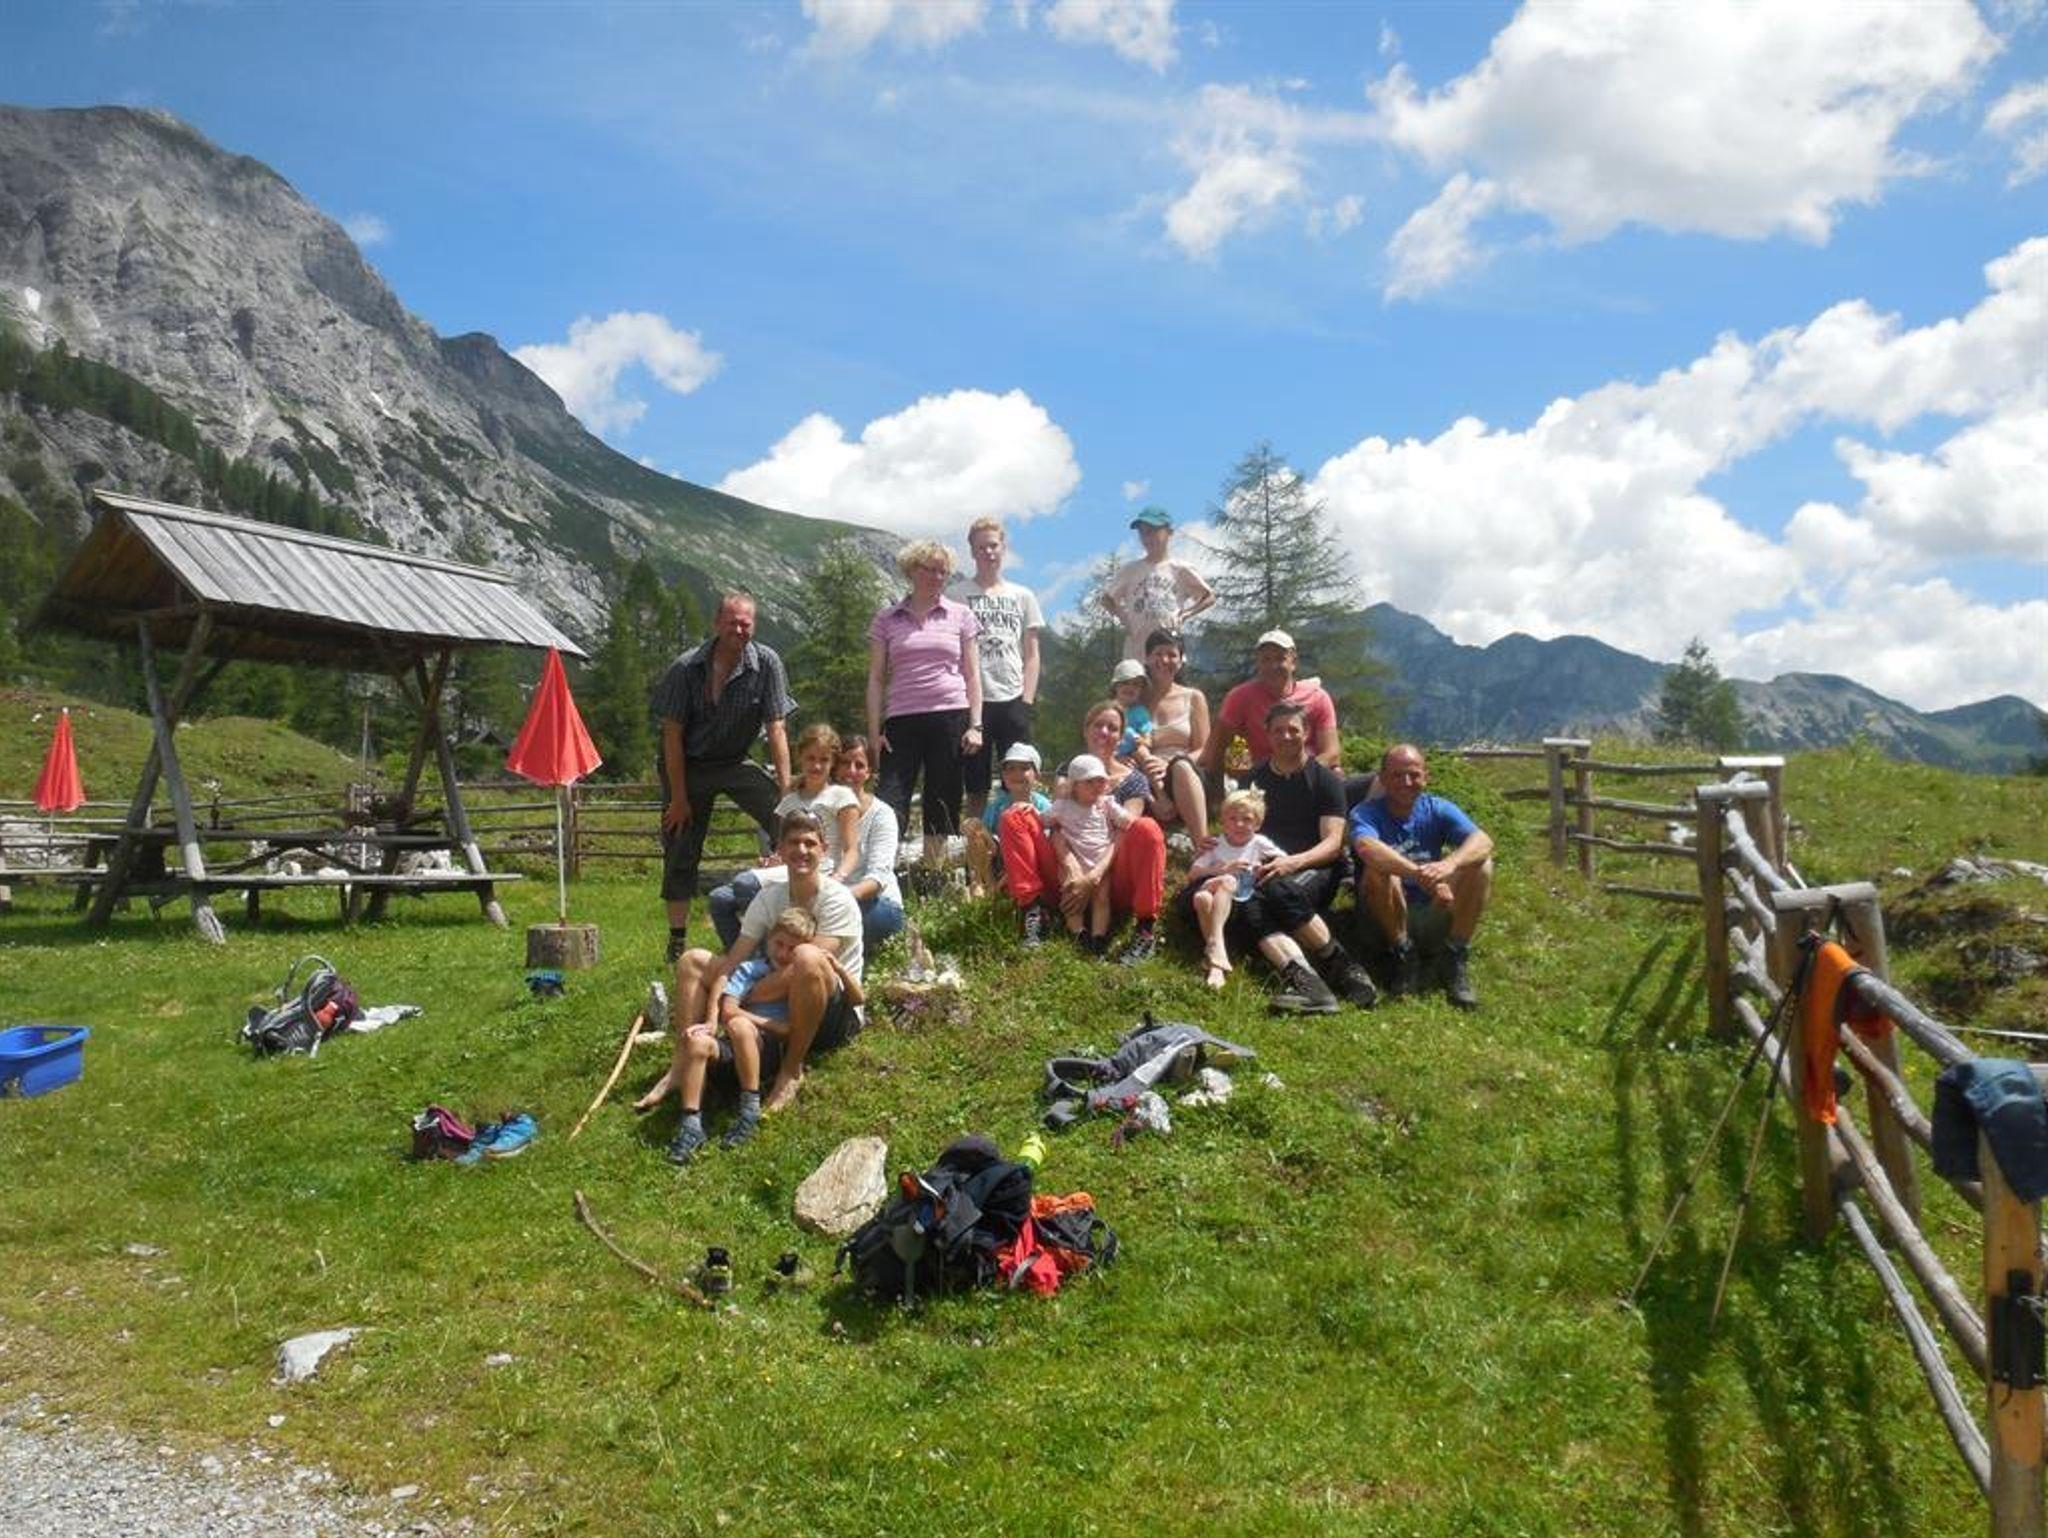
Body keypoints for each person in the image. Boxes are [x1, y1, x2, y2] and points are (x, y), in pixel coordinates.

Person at [638, 810, 865, 1160]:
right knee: (693, 960)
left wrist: (738, 998)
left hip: (829, 1013)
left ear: (824, 849)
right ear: (780, 849)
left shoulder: (837, 899)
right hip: (772, 1006)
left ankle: (791, 1069)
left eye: (810, 843)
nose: (801, 850)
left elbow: (804, 973)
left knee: (806, 956)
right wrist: (716, 1012)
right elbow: (734, 961)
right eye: (793, 842)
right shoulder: (769, 898)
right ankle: (682, 1065)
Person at [1176, 698, 1378, 1014]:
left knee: (1277, 889)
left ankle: (1342, 964)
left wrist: (1293, 862)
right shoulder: (1253, 780)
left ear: (1306, 733)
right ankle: (1309, 984)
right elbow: (1238, 823)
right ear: (1267, 735)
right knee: (1238, 900)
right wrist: (1214, 844)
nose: (1286, 736)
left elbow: (1332, 843)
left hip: (1315, 866)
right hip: (1264, 867)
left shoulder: (1325, 781)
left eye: (1293, 730)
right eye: (1278, 730)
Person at [652, 591, 793, 961]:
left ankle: (794, 912)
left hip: (734, 761)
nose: (739, 630)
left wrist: (786, 791)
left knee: (790, 819)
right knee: (680, 841)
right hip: (689, 763)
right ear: (717, 624)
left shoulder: (766, 663)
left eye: (746, 623)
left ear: (754, 626)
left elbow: (777, 727)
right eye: (732, 622)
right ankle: (677, 938)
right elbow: (671, 737)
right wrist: (679, 798)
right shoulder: (686, 668)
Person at [996, 713, 1166, 959]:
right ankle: (1034, 911)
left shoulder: (1132, 781)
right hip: (1066, 871)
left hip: (1110, 872)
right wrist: (1072, 867)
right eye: (1098, 725)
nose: (1104, 732)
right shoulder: (1068, 773)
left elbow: (1127, 832)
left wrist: (1093, 877)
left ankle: (1145, 928)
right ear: (1085, 730)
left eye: (1113, 727)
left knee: (1147, 827)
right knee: (1015, 815)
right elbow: (1057, 826)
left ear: (1122, 737)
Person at [1350, 743, 1495, 1009]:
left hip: (1433, 909)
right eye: (1397, 775)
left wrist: (1450, 865)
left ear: (1426, 777)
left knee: (1482, 865)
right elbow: (1367, 848)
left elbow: (1483, 841)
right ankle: (1402, 954)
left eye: (1414, 774)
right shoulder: (1366, 813)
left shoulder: (1437, 808)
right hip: (1385, 917)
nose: (1406, 782)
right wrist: (1420, 874)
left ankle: (1454, 956)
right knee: (1379, 870)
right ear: (1382, 779)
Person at [868, 540, 983, 868]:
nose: (937, 577)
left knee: (942, 797)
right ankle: (883, 875)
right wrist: (874, 733)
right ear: (911, 571)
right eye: (930, 569)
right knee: (890, 798)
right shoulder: (887, 619)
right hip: (901, 718)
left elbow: (973, 674)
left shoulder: (961, 615)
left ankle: (935, 875)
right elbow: (875, 678)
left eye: (943, 571)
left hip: (950, 715)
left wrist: (976, 725)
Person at [706, 723, 861, 950]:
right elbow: (782, 845)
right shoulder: (790, 800)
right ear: (800, 758)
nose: (816, 765)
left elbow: (851, 849)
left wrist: (839, 877)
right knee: (720, 898)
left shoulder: (841, 797)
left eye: (824, 760)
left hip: (821, 870)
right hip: (789, 869)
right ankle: (745, 957)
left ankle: (769, 953)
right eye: (811, 758)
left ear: (832, 762)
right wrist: (774, 859)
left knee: (745, 883)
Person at [952, 517, 1043, 820]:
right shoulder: (956, 594)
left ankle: (1017, 832)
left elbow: (1032, 654)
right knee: (974, 780)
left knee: (1017, 777)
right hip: (972, 700)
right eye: (981, 547)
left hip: (1012, 697)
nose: (988, 552)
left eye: (993, 545)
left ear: (1003, 548)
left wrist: (1026, 702)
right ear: (972, 551)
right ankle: (976, 839)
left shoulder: (1023, 595)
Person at [1200, 628, 1341, 778]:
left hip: (1309, 776)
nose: (1273, 666)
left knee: (1338, 774)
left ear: (1293, 662)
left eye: (1280, 658)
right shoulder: (1240, 698)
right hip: (1262, 779)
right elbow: (1219, 748)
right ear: (1258, 663)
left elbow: (1331, 753)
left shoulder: (1317, 697)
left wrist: (1300, 773)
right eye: (1266, 659)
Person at [1186, 789, 1286, 990]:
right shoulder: (1216, 844)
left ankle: (1215, 963)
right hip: (1216, 885)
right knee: (1227, 880)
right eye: (1232, 819)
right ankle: (1219, 949)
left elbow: (1284, 859)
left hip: (1237, 897)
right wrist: (1222, 869)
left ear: (1257, 824)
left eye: (1247, 819)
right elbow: (1193, 874)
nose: (1239, 824)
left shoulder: (1259, 843)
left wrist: (1261, 869)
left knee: (1203, 899)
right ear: (1223, 822)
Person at [1098, 506, 1215, 660]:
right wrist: (1124, 619)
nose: (1148, 538)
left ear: (1169, 532)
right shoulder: (1130, 570)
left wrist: (1186, 614)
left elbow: (1209, 597)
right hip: (1137, 652)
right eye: (1143, 533)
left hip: (1169, 651)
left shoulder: (1180, 569)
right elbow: (1107, 599)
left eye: (1153, 531)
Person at [1132, 628, 1209, 837]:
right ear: (1147, 658)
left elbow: (1204, 749)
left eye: (1172, 654)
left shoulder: (1194, 698)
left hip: (1188, 772)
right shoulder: (1136, 701)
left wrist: (1171, 764)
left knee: (1181, 768)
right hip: (1148, 776)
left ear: (1181, 660)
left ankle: (1202, 844)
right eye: (1158, 654)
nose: (1164, 660)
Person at [832, 734, 906, 951]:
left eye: (859, 765)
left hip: (876, 903)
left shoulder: (882, 814)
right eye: (845, 763)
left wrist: (838, 898)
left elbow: (877, 878)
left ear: (869, 772)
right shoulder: (823, 809)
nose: (851, 771)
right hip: (830, 898)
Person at [965, 742, 1051, 898]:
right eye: (1010, 769)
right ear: (1003, 776)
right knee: (973, 826)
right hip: (1001, 859)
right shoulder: (998, 805)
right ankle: (982, 884)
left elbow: (1049, 840)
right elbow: (985, 836)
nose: (1017, 773)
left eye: (1024, 768)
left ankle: (1001, 892)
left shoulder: (1043, 805)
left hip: (1031, 860)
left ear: (1037, 775)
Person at [1109, 659, 1153, 758]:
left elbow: (1148, 742)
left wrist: (1138, 740)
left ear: (1141, 690)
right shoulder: (1107, 710)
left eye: (1136, 684)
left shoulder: (1140, 713)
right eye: (1125, 682)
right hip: (1109, 754)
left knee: (1142, 751)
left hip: (1132, 757)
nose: (1130, 687)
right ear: (1115, 686)